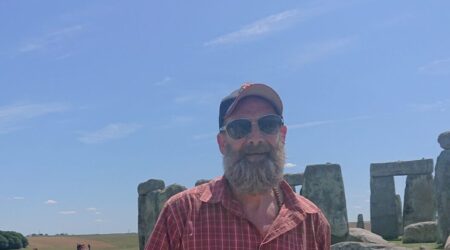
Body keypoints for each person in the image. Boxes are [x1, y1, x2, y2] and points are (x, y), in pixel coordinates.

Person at [145, 83, 331, 250]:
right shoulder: (180, 214)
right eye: (240, 128)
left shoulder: (312, 222)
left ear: (282, 135)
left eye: (268, 124)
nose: (255, 138)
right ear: (222, 143)